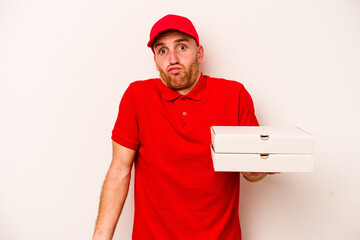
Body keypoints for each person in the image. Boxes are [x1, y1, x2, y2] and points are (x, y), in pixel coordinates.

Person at [93, 14, 269, 240]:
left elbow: (251, 172)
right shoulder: (137, 97)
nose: (172, 58)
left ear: (199, 53)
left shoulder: (234, 95)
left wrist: (263, 166)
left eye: (182, 47)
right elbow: (119, 171)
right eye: (162, 51)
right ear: (155, 60)